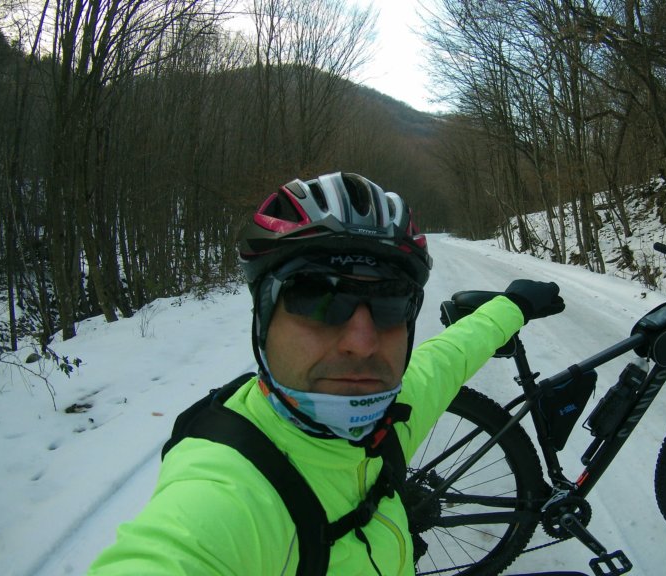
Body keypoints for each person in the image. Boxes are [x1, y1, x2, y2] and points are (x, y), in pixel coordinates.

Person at [88, 172, 564, 575]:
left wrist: (512, 306)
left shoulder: (390, 423)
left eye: (390, 302)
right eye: (317, 297)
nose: (362, 342)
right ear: (263, 319)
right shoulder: (223, 498)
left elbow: (449, 354)